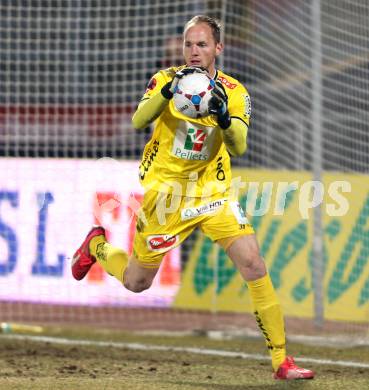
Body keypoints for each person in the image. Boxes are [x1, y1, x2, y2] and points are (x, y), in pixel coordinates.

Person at [72, 15, 314, 380]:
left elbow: (240, 146)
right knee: (137, 282)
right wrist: (168, 94)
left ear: (218, 48)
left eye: (202, 45)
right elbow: (139, 121)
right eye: (189, 45)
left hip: (213, 191)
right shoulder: (166, 79)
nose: (194, 51)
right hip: (167, 197)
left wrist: (223, 118)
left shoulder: (234, 92)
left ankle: (281, 360)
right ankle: (97, 247)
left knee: (253, 263)